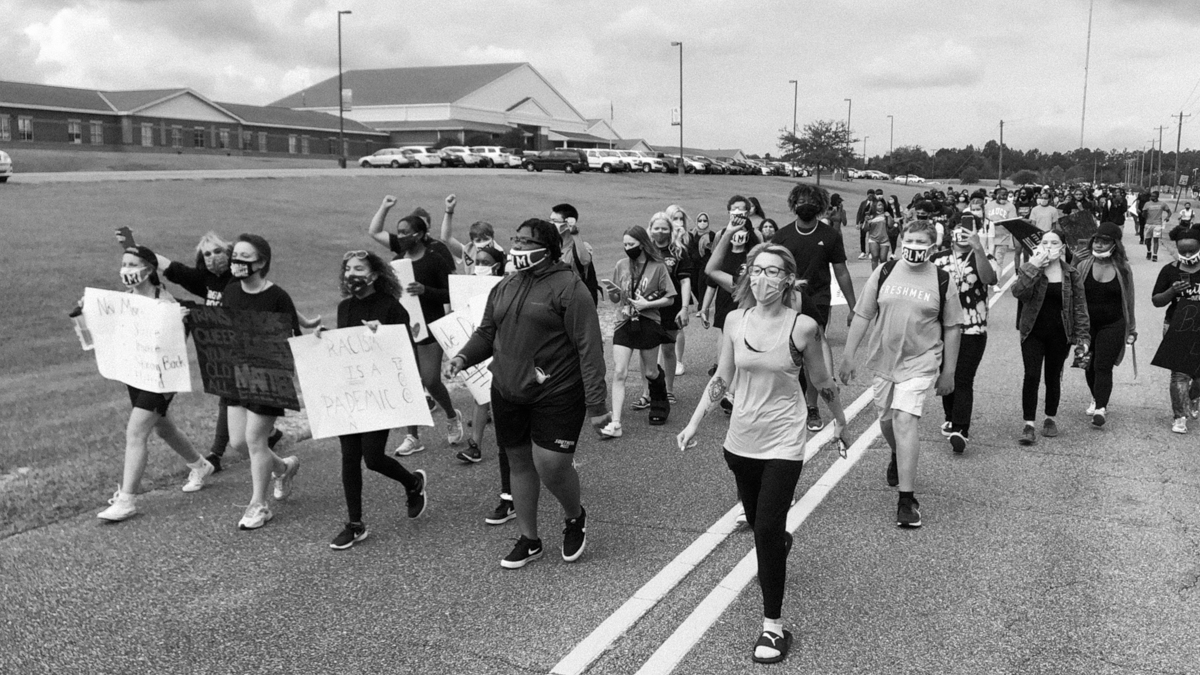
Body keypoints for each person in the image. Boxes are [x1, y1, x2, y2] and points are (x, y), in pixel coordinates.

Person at [677, 243, 845, 665]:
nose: (762, 279)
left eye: (772, 272)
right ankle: (777, 539)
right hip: (740, 441)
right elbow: (722, 378)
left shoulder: (803, 326)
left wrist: (842, 423)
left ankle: (773, 627)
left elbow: (823, 382)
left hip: (784, 443)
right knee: (758, 523)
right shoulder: (735, 320)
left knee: (766, 532)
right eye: (756, 270)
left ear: (788, 279)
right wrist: (695, 422)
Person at [448, 218, 610, 569]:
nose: (518, 248)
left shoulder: (570, 287)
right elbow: (487, 333)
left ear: (548, 248)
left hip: (557, 391)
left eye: (525, 242)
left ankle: (574, 516)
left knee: (551, 465)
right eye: (516, 241)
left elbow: (589, 348)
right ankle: (530, 539)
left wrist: (597, 404)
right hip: (507, 389)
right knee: (519, 464)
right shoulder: (505, 286)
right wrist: (462, 357)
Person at [114, 229, 287, 472]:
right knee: (227, 406)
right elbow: (165, 266)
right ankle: (260, 444)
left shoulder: (237, 280)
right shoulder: (203, 280)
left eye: (218, 251)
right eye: (206, 253)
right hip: (222, 349)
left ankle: (220, 452)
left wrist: (304, 323)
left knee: (233, 409)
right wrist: (133, 247)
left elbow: (274, 297)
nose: (212, 257)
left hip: (248, 351)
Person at [839, 220, 962, 528]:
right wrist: (848, 355)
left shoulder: (943, 280)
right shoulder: (884, 272)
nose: (915, 247)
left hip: (920, 361)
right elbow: (863, 314)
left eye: (922, 242)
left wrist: (949, 372)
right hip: (884, 361)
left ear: (932, 248)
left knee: (905, 420)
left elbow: (952, 327)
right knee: (886, 420)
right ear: (900, 241)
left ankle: (906, 501)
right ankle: (897, 454)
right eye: (910, 240)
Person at [90, 246, 213, 522]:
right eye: (124, 263)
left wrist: (178, 324)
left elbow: (176, 347)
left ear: (149, 269)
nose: (127, 270)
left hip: (160, 376)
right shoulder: (125, 300)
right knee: (162, 427)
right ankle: (200, 465)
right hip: (136, 373)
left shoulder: (166, 303)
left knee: (135, 432)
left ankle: (126, 500)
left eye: (133, 264)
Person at [321, 251, 428, 549]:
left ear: (375, 274)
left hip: (379, 393)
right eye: (348, 269)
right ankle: (354, 524)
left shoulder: (391, 307)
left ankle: (412, 483)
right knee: (349, 457)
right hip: (352, 392)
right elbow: (345, 345)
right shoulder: (345, 307)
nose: (351, 274)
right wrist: (323, 338)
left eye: (358, 268)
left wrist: (380, 336)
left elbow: (404, 351)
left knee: (373, 458)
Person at [367, 196, 465, 456]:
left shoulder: (434, 258)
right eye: (399, 233)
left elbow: (452, 293)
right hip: (401, 327)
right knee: (407, 381)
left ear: (420, 234)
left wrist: (425, 291)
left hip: (429, 326)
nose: (401, 237)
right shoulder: (397, 261)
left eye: (405, 233)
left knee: (429, 379)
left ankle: (451, 415)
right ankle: (412, 436)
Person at [222, 234, 306, 530]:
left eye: (245, 256)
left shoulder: (277, 296)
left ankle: (259, 505)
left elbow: (292, 336)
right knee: (238, 442)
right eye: (235, 255)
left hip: (268, 374)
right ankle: (284, 467)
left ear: (261, 262)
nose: (237, 262)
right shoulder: (230, 291)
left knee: (256, 439)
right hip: (237, 373)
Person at [771, 183, 858, 432]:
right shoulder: (782, 236)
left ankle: (811, 406)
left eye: (811, 200)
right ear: (793, 204)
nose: (805, 204)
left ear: (820, 205)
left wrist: (854, 307)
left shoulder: (830, 236)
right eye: (800, 200)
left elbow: (841, 272)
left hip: (818, 299)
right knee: (785, 354)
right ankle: (786, 402)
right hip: (786, 300)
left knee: (812, 353)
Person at [1011, 230, 1091, 446]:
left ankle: (1050, 418)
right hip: (1032, 333)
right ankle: (1029, 424)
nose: (1049, 245)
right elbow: (1018, 292)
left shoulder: (1071, 274)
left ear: (1063, 247)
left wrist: (1083, 338)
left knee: (1053, 377)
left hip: (1060, 334)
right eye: (1044, 242)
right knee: (1032, 375)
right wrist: (1033, 267)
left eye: (1054, 242)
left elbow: (1080, 307)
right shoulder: (1032, 268)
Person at [600, 226, 677, 437]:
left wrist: (646, 305)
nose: (627, 249)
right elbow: (615, 300)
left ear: (642, 244)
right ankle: (615, 422)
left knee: (650, 372)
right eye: (624, 245)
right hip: (624, 321)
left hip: (648, 320)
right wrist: (614, 293)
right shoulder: (621, 265)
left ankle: (659, 401)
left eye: (631, 245)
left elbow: (670, 298)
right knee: (619, 371)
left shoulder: (658, 267)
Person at [931, 212, 998, 453]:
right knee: (946, 374)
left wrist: (978, 249)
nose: (963, 233)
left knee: (963, 377)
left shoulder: (985, 256)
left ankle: (961, 428)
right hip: (942, 327)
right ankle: (950, 416)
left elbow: (989, 279)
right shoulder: (937, 259)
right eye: (958, 228)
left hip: (972, 326)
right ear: (950, 232)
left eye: (968, 229)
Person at [1074, 223, 1137, 428]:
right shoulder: (1083, 265)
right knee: (1088, 364)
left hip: (1114, 323)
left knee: (1103, 365)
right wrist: (1074, 260)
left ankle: (1101, 407)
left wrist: (1132, 328)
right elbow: (1070, 290)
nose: (1099, 245)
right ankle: (1095, 395)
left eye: (1105, 241)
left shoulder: (1123, 268)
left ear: (1115, 244)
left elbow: (1129, 299)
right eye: (1097, 240)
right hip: (1086, 325)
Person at [1151, 227, 1200, 434]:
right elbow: (1156, 301)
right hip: (1176, 326)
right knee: (1179, 374)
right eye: (1183, 251)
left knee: (1196, 375)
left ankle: (1192, 396)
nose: (1187, 255)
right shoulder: (1169, 270)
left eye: (1192, 250)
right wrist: (1172, 291)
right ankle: (1179, 417)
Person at [438, 193, 505, 274]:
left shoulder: (500, 254)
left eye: (486, 239)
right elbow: (446, 238)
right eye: (478, 240)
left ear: (492, 238)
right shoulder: (468, 251)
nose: (483, 243)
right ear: (473, 242)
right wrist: (449, 210)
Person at [666, 204, 695, 374]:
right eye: (674, 218)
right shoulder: (662, 237)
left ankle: (678, 360)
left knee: (678, 327)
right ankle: (662, 359)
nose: (678, 222)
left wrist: (683, 240)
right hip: (663, 287)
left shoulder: (687, 238)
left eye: (680, 219)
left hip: (679, 286)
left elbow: (691, 263)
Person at [553, 203, 600, 304]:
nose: (551, 224)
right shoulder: (550, 247)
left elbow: (585, 260)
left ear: (566, 224)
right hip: (555, 301)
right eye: (550, 220)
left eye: (555, 221)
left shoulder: (581, 247)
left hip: (575, 302)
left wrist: (574, 232)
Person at [985, 187, 1019, 275]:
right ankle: (989, 279)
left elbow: (1012, 221)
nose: (1004, 197)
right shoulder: (988, 205)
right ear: (996, 195)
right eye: (1002, 195)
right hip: (989, 237)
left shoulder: (1011, 206)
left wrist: (1001, 223)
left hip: (1003, 237)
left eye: (1006, 195)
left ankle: (997, 282)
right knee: (988, 260)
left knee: (998, 260)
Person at [1141, 191, 1172, 262]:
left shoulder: (1162, 204)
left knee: (1156, 239)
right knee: (1148, 240)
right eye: (1151, 196)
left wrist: (1168, 217)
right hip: (1149, 224)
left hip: (1157, 224)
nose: (1152, 197)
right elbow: (1143, 215)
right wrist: (1144, 213)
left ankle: (1155, 255)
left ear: (1157, 196)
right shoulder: (1147, 204)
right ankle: (1149, 251)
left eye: (1154, 196)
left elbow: (1169, 212)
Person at [865, 202, 892, 270]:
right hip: (873, 239)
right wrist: (866, 221)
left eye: (882, 205)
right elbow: (866, 229)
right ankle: (875, 275)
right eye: (879, 205)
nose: (881, 206)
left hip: (884, 239)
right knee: (875, 257)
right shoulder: (871, 216)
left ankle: (883, 275)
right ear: (875, 206)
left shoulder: (886, 215)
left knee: (883, 259)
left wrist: (889, 216)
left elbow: (890, 225)